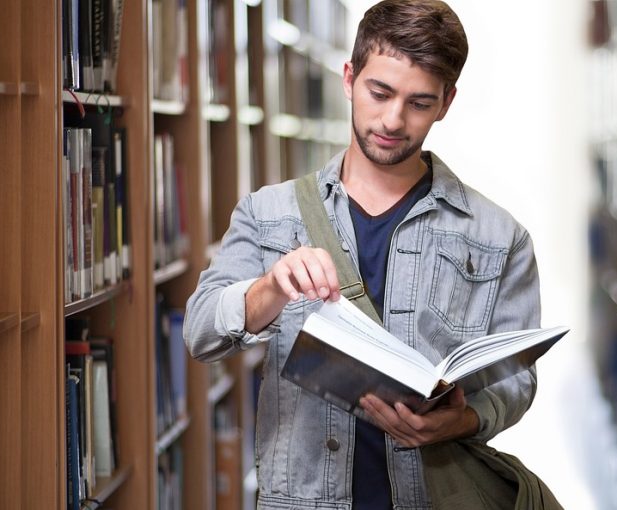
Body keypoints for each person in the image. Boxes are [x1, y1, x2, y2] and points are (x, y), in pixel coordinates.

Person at [184, 1, 542, 508]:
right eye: (380, 92)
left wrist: (462, 419)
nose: (393, 120)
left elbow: (517, 379)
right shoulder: (269, 214)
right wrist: (270, 288)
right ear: (349, 77)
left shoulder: (501, 237)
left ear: (447, 102)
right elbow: (200, 332)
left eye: (419, 103)